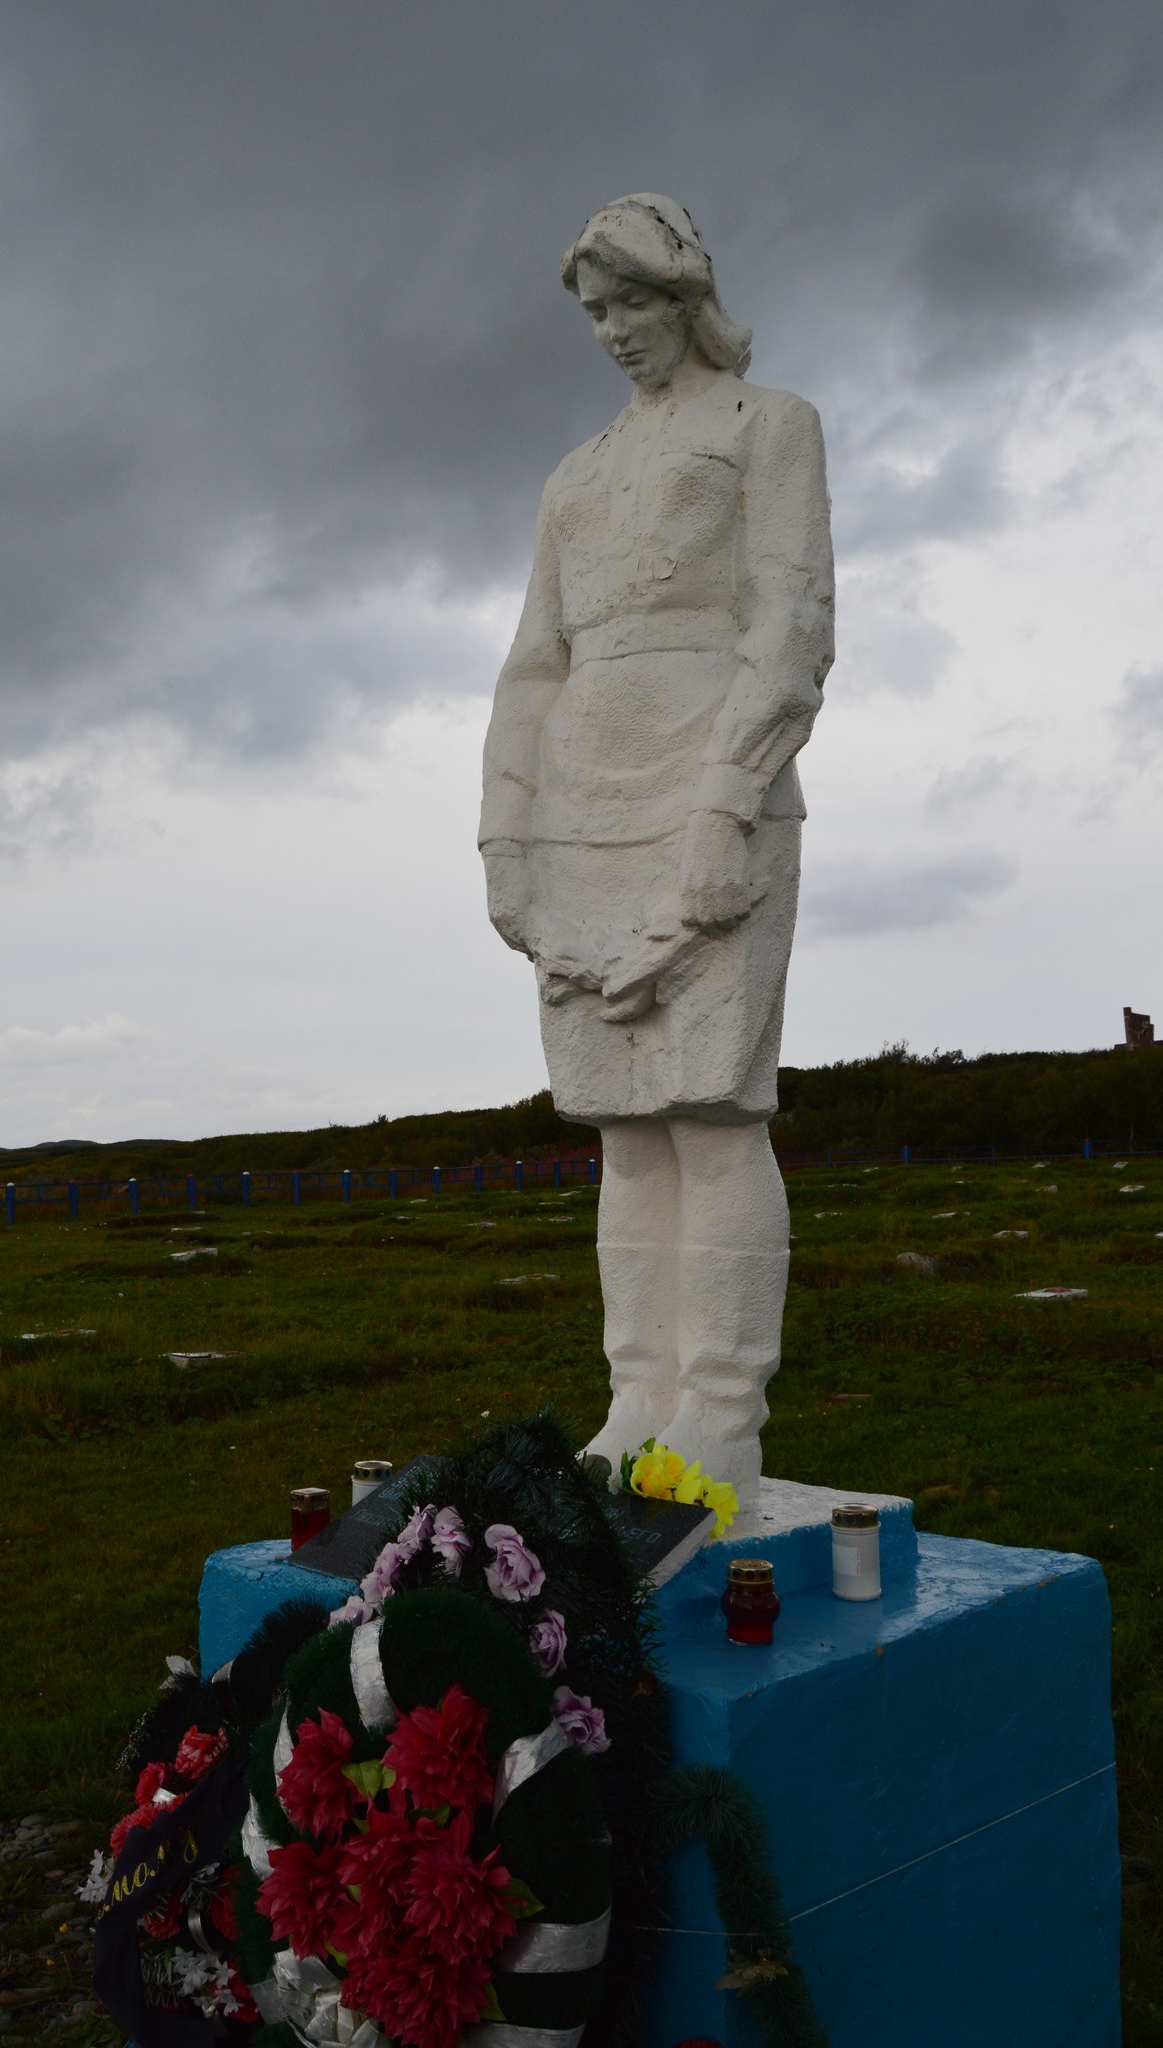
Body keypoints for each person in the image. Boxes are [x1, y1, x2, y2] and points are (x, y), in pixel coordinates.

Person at [479, 195, 834, 1502]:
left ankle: (720, 1416)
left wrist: (726, 803)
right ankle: (636, 1405)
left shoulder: (768, 428)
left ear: (683, 294)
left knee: (712, 1111)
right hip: (579, 809)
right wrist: (504, 836)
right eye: (593, 312)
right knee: (623, 1129)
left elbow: (788, 622)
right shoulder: (572, 477)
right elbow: (531, 665)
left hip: (706, 784)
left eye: (630, 301)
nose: (613, 331)